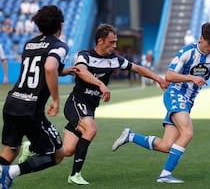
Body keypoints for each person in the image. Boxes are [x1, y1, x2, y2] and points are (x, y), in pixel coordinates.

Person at [20, 23, 169, 185]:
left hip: (90, 107)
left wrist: (159, 79)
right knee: (90, 129)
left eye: (115, 42)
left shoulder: (114, 60)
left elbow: (138, 69)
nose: (115, 46)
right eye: (111, 42)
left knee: (67, 151)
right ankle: (75, 175)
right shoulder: (84, 55)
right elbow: (81, 71)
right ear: (100, 41)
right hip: (76, 102)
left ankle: (32, 147)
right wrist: (100, 84)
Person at [112, 21, 210, 183]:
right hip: (175, 93)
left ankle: (131, 136)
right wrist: (191, 77)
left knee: (166, 145)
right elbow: (169, 75)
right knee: (187, 132)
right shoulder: (187, 52)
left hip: (188, 101)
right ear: (201, 38)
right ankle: (165, 175)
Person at [0, 5, 78, 189]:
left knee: (10, 151)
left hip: (12, 103)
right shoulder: (59, 46)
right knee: (57, 155)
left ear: (38, 26)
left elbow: (39, 67)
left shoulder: (29, 43)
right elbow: (49, 67)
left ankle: (3, 176)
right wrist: (56, 99)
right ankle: (10, 173)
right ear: (61, 24)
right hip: (30, 110)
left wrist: (63, 71)